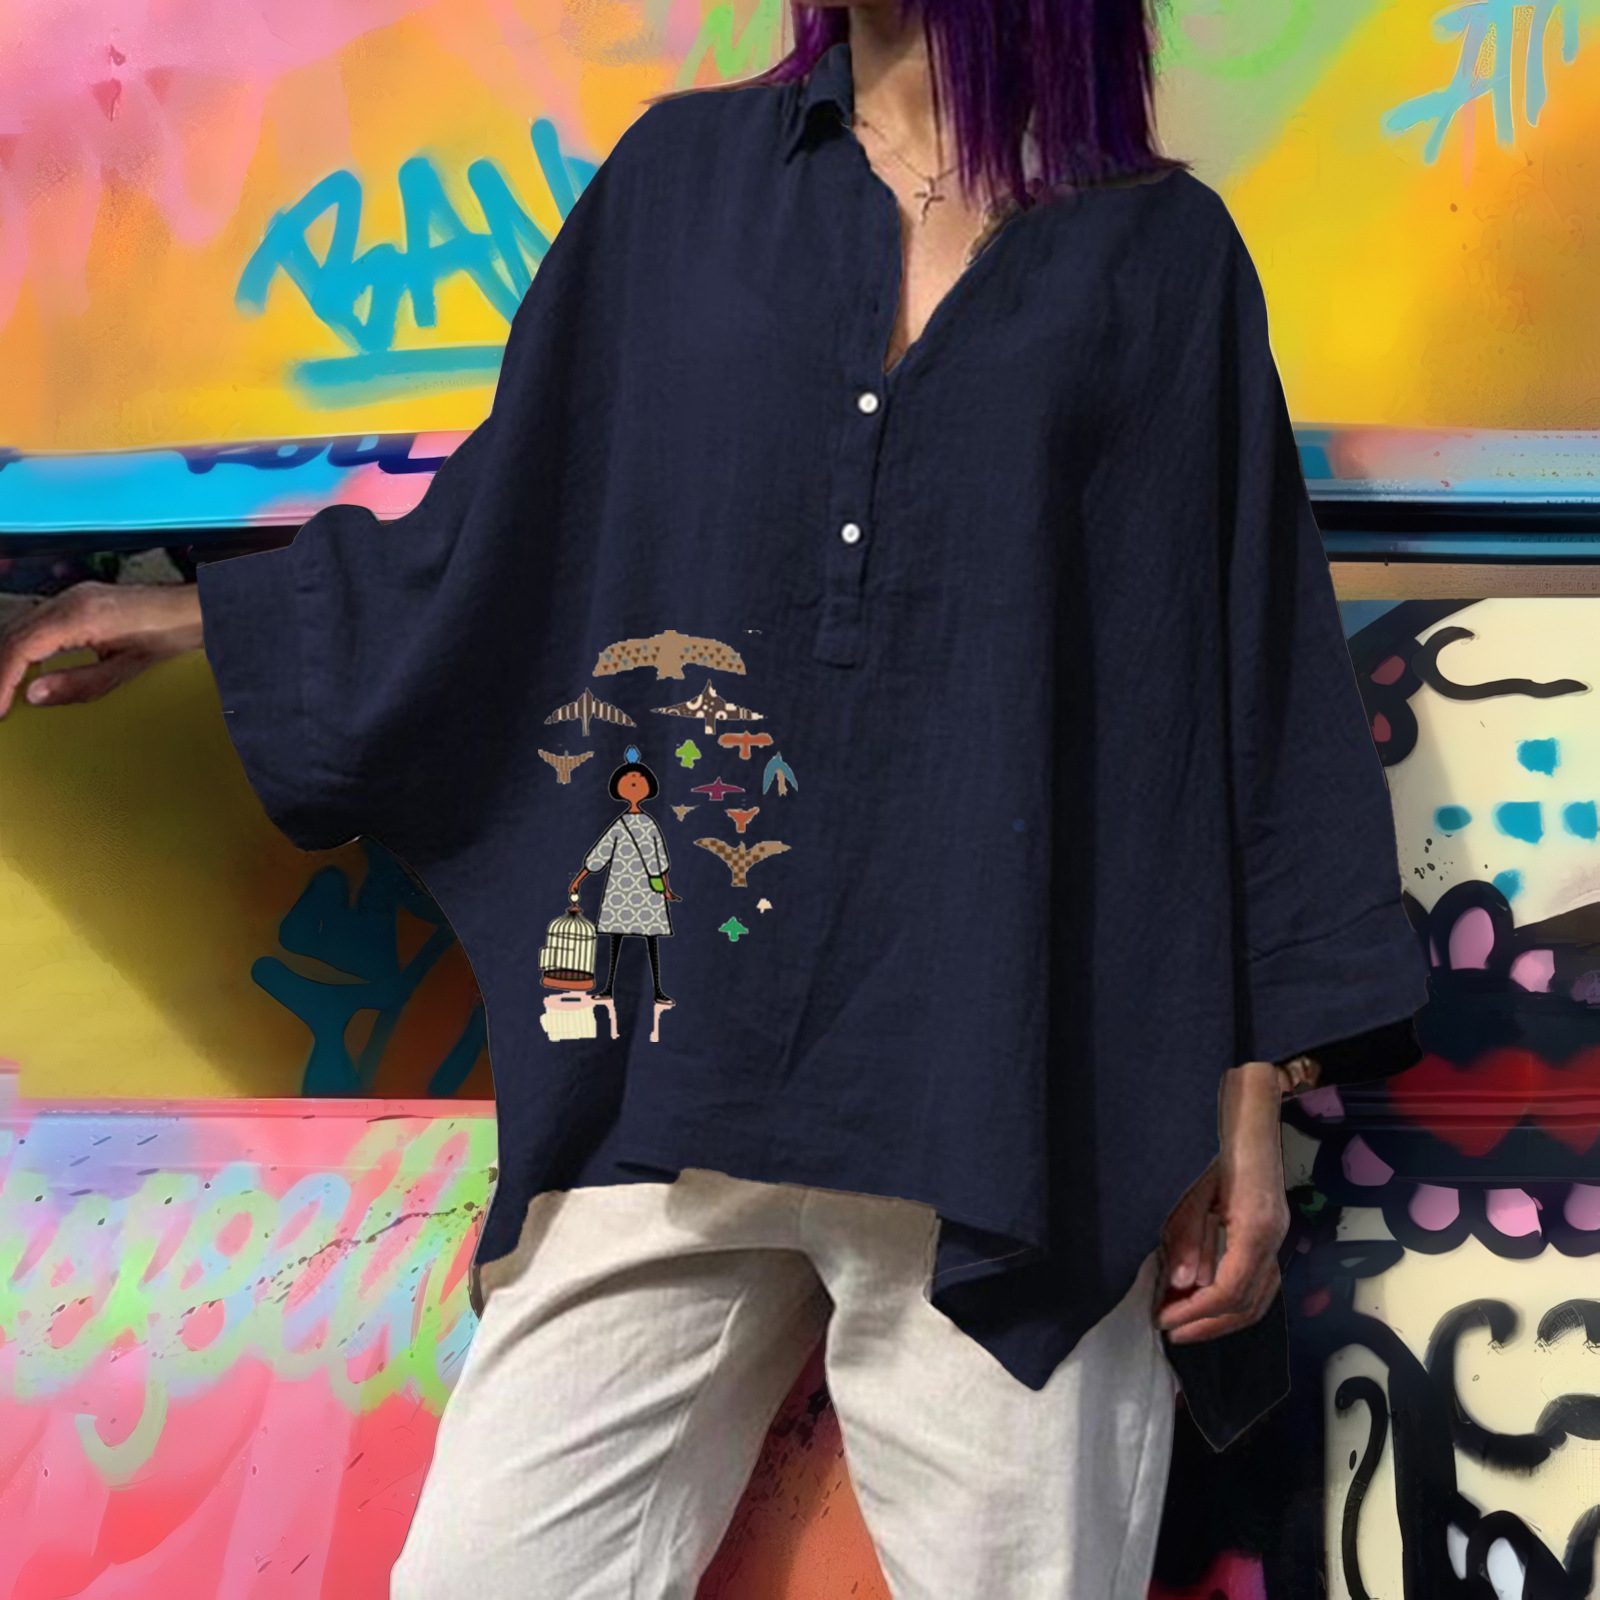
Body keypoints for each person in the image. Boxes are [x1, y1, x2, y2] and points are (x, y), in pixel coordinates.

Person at [0, 1, 1430, 1595]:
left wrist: (1247, 1100)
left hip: (1020, 1099)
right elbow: (496, 543)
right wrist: (201, 616)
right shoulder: (681, 187)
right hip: (676, 1068)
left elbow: (1235, 685)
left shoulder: (1161, 255)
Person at [571, 747, 680, 1006]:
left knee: (651, 941)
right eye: (628, 778)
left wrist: (665, 888)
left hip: (646, 888)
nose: (633, 781)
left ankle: (657, 989)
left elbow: (660, 859)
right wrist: (579, 878)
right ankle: (609, 986)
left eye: (639, 778)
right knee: (616, 939)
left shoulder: (649, 824)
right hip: (621, 886)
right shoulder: (620, 825)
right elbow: (600, 854)